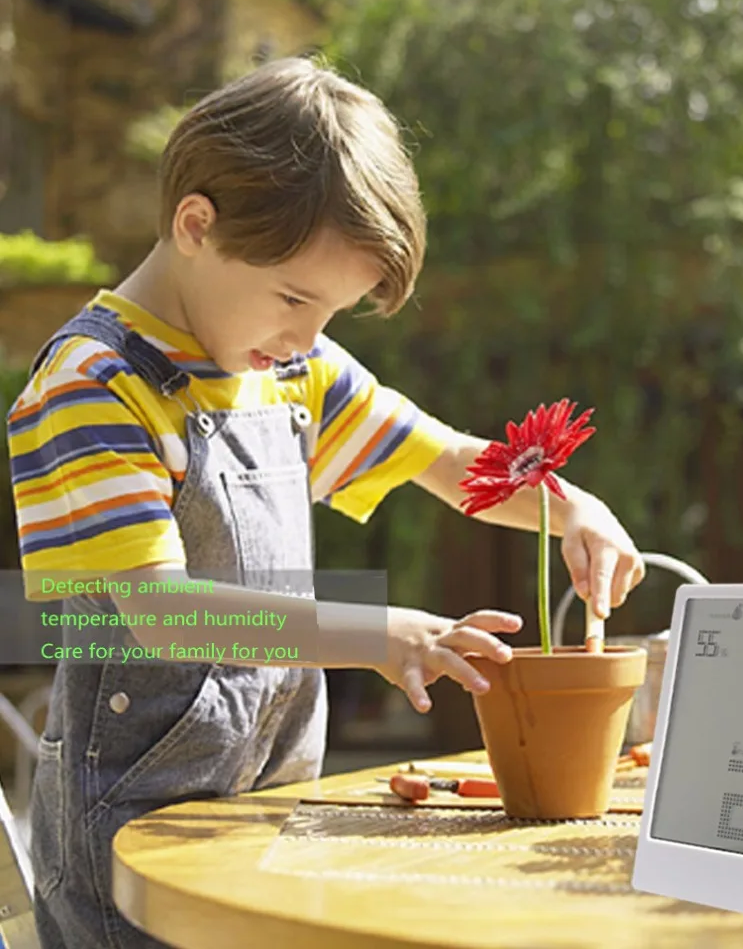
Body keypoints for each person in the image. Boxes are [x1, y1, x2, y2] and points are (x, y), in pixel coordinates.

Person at [5, 56, 646, 949]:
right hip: (133, 844)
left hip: (267, 810)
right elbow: (160, 614)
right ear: (197, 224)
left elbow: (453, 462)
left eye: (333, 314)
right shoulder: (94, 385)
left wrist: (569, 505)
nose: (308, 337)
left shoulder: (290, 368)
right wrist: (381, 634)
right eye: (294, 297)